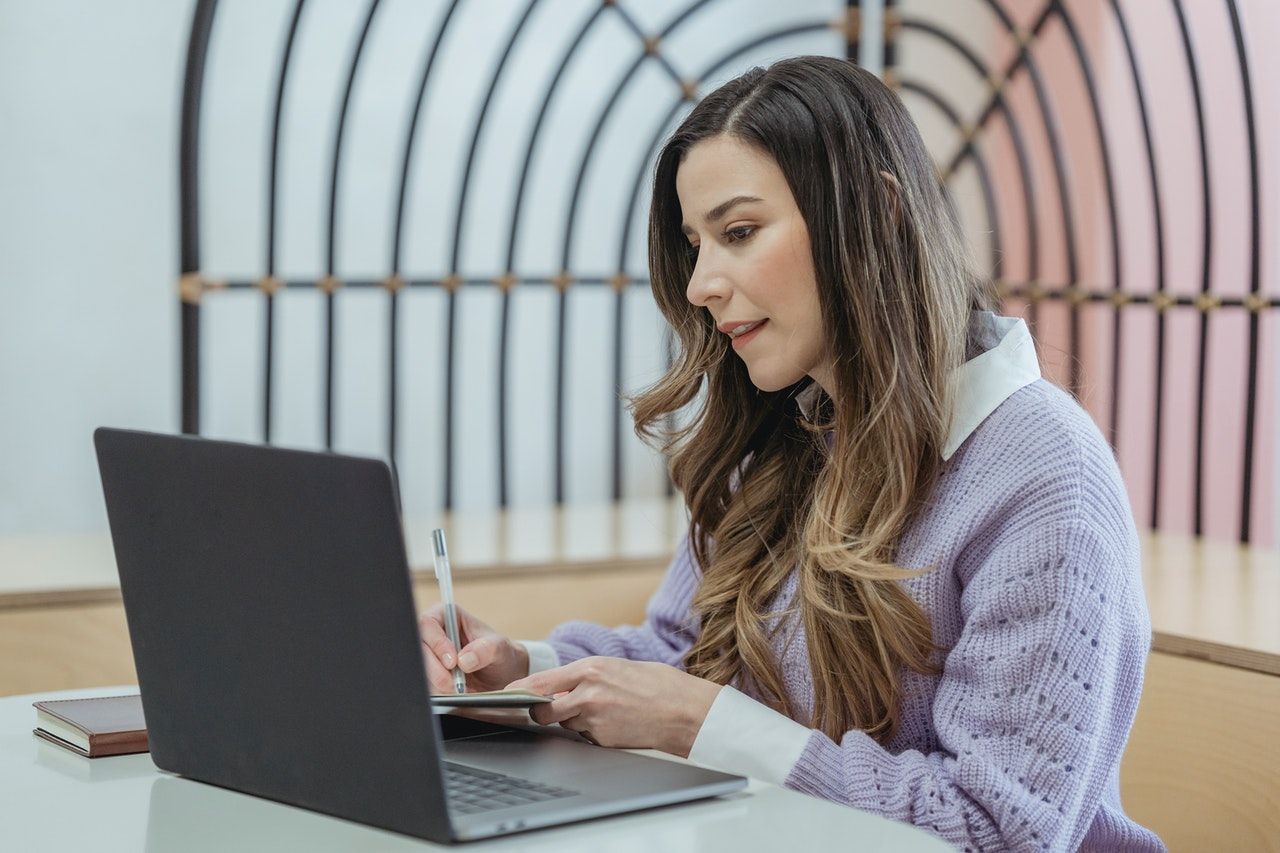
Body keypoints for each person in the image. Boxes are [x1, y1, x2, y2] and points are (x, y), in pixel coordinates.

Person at [419, 55, 1163, 851]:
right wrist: (520, 673)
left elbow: (995, 832)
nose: (702, 283)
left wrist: (706, 726)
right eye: (695, 244)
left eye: (739, 232)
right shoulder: (785, 432)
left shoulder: (1046, 477)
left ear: (876, 211)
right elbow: (687, 655)